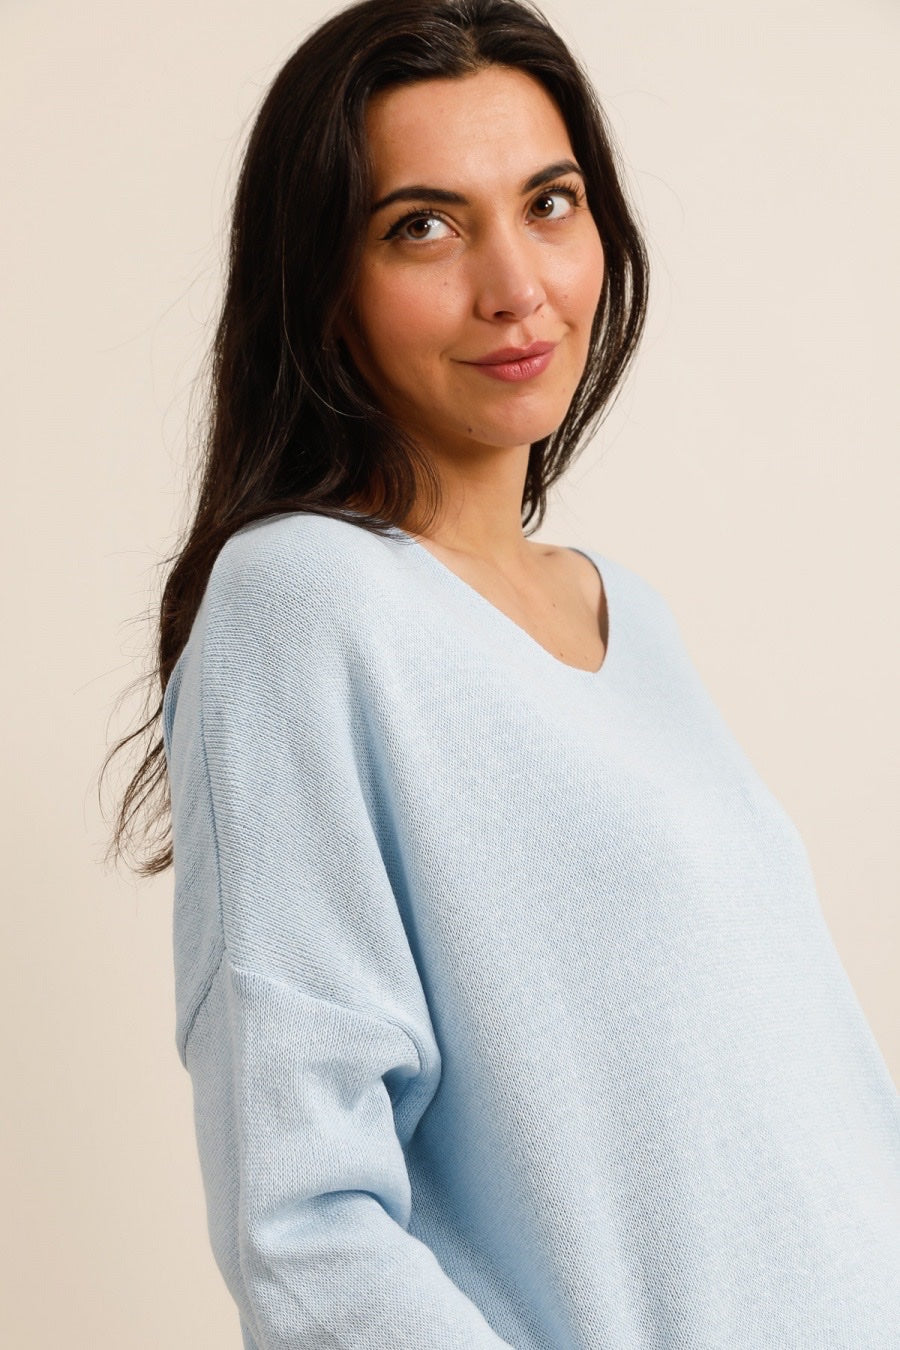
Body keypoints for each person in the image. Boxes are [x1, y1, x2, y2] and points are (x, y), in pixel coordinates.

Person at [107, 0, 900, 1345]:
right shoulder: (302, 603)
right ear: (322, 280)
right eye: (423, 224)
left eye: (549, 202)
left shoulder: (626, 615)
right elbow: (307, 1231)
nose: (516, 285)